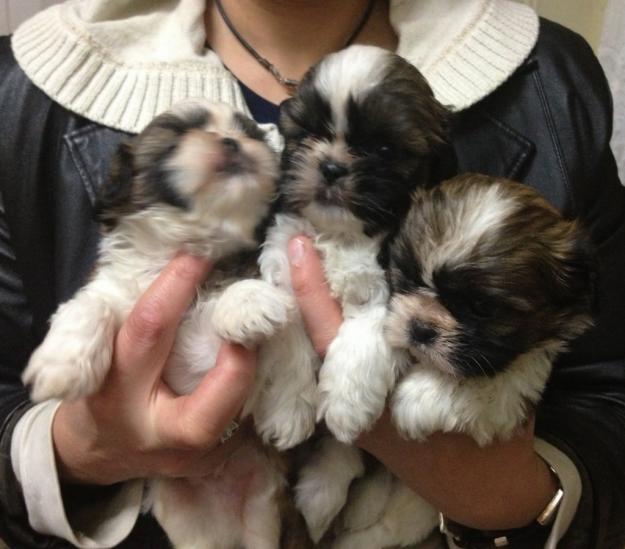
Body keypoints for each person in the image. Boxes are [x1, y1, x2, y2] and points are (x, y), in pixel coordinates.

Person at [0, 0, 624, 547]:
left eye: (380, 152)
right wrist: (73, 453)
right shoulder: (21, 92)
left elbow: (608, 390)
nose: (334, 166)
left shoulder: (553, 84)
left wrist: (517, 501)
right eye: (310, 139)